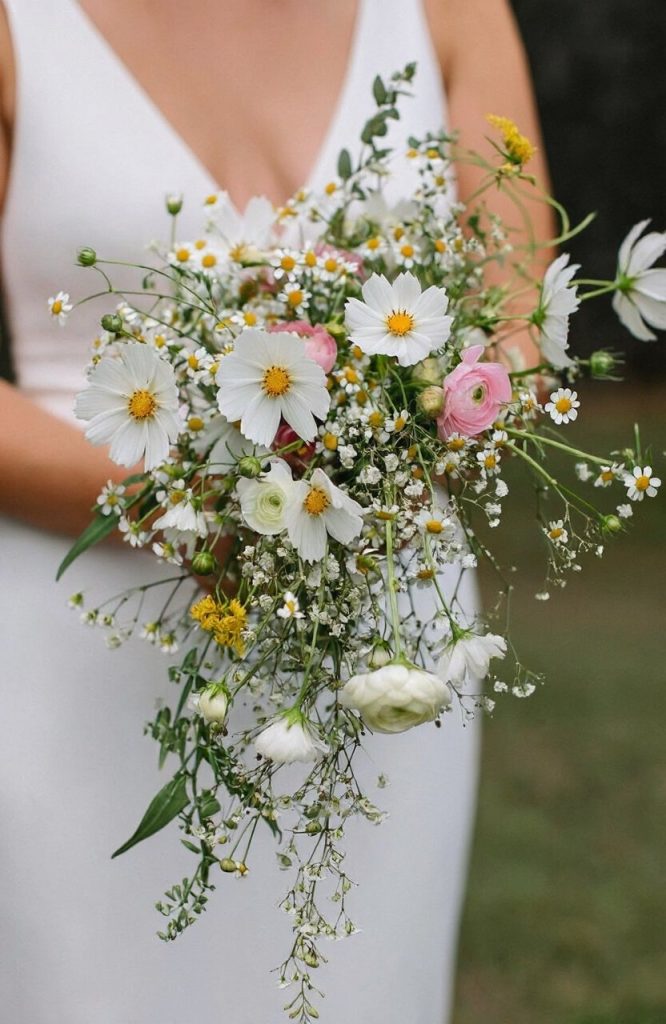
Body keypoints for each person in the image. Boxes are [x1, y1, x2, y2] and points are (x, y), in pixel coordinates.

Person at [0, 2, 552, 1021]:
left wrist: (406, 432)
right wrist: (201, 504)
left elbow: (516, 309)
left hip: (384, 632)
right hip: (85, 629)